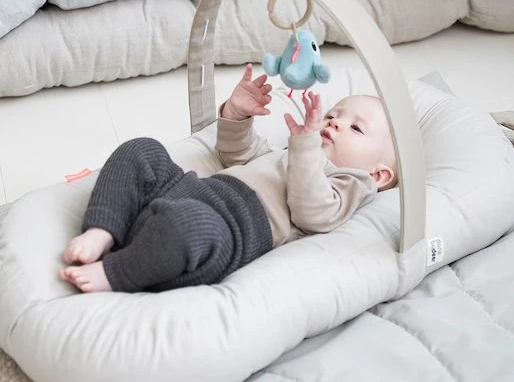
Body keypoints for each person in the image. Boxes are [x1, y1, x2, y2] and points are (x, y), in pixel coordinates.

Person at [59, 64, 397, 293]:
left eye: (356, 128)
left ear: (378, 174)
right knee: (142, 150)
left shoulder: (349, 183)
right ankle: (103, 229)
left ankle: (116, 272)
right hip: (191, 190)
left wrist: (305, 146)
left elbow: (313, 212)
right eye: (333, 115)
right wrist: (236, 114)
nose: (335, 123)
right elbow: (237, 153)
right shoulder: (287, 152)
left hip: (222, 234)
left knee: (189, 224)